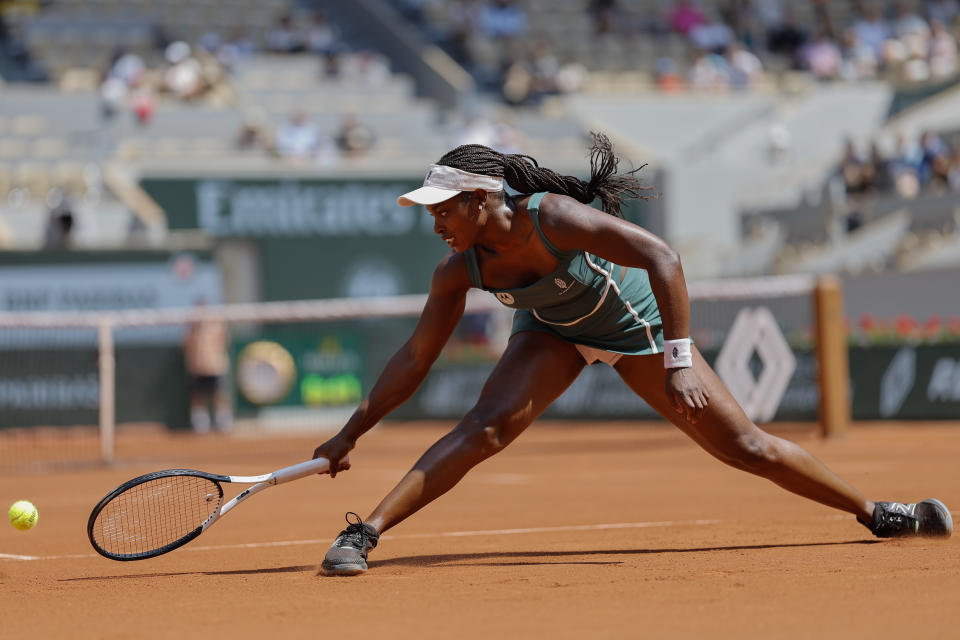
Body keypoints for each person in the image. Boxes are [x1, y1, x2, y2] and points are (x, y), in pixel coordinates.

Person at [312, 134, 952, 577]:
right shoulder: (458, 270)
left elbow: (663, 258)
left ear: (481, 200)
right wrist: (348, 435)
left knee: (744, 447)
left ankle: (878, 513)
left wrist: (677, 357)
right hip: (552, 332)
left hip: (636, 328)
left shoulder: (554, 218)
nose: (436, 225)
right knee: (485, 427)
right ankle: (363, 533)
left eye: (443, 209)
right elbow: (415, 359)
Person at [183, 298, 233, 434]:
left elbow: (224, 341)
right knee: (198, 394)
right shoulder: (191, 327)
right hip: (198, 366)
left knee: (219, 393)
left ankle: (223, 420)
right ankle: (200, 422)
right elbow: (187, 346)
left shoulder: (216, 323)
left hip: (215, 365)